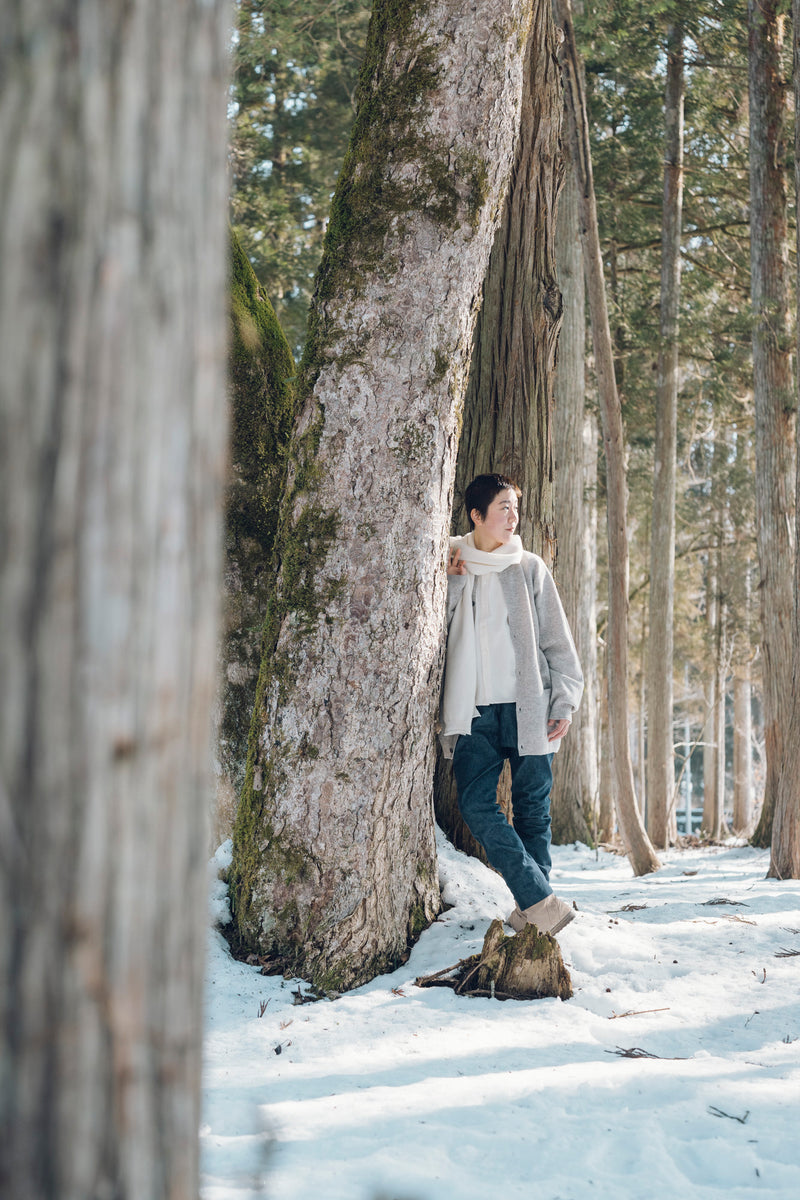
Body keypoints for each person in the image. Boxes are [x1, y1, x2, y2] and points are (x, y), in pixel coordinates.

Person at [440, 473, 583, 936]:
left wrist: (564, 699)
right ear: (476, 515)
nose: (512, 516)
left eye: (515, 507)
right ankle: (542, 900)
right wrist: (451, 583)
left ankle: (535, 915)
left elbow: (556, 640)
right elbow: (429, 629)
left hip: (529, 707)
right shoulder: (451, 561)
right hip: (474, 711)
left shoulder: (529, 567)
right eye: (502, 507)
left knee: (532, 811)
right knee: (476, 804)